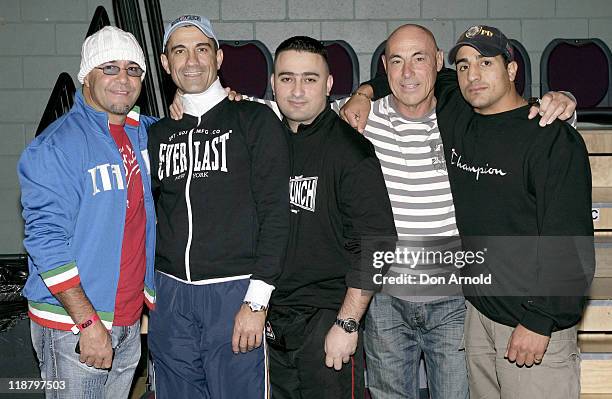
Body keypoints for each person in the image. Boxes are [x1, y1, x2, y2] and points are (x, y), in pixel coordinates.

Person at [342, 25, 592, 399]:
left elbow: (571, 242)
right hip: (475, 315)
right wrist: (364, 92)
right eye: (464, 66)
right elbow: (409, 77)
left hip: (522, 317)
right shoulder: (460, 112)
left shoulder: (550, 135)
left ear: (511, 69)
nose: (473, 74)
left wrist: (540, 320)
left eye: (486, 62)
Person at [170, 35, 397, 398]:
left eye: (309, 78)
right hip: (269, 313)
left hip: (326, 316)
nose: (297, 90)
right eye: (287, 78)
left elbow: (378, 244)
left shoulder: (351, 151)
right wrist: (185, 102)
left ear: (329, 84)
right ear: (273, 84)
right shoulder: (260, 135)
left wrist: (348, 322)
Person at [146, 15, 290, 398]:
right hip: (170, 295)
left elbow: (277, 212)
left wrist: (257, 302)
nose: (191, 60)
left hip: (234, 293)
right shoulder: (158, 133)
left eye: (201, 49)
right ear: (165, 64)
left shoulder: (254, 118)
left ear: (219, 57)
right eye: (180, 50)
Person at [18, 26, 157, 398]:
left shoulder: (144, 133)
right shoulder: (56, 146)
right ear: (87, 76)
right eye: (110, 68)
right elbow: (46, 243)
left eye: (133, 69)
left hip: (127, 320)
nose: (123, 80)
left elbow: (198, 127)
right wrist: (88, 323)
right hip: (75, 326)